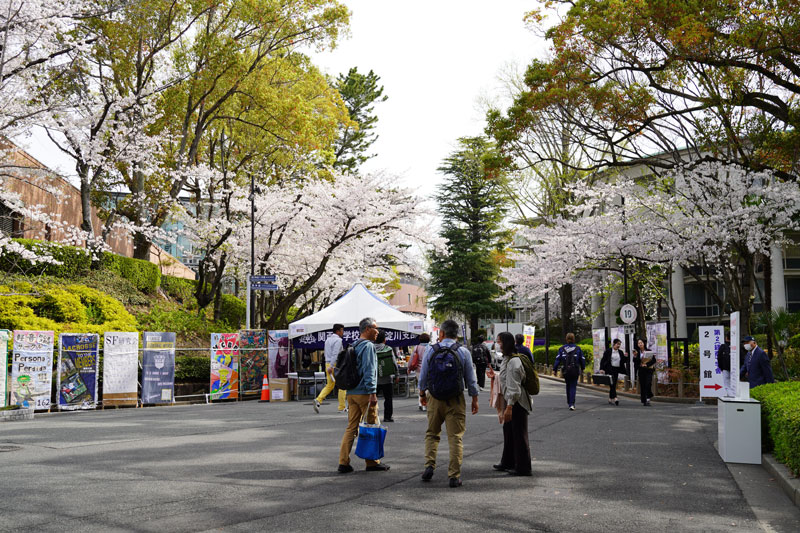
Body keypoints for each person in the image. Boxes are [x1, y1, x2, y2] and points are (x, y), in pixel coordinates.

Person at [418, 319, 480, 488]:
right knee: (455, 437)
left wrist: (422, 393)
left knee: (432, 433)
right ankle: (454, 475)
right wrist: (474, 398)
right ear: (457, 335)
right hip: (456, 399)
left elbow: (423, 375)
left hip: (435, 398)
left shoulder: (431, 349)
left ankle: (429, 466)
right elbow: (470, 379)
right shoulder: (463, 352)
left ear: (442, 333)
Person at [338, 317, 390, 473]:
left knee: (351, 428)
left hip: (351, 392)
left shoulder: (353, 344)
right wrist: (373, 393)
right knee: (372, 426)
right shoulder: (368, 346)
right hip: (365, 393)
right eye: (375, 328)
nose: (378, 332)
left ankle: (343, 462)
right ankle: (372, 462)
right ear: (367, 329)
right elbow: (369, 371)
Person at [494, 331, 532, 476]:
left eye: (500, 342)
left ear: (506, 342)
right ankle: (508, 462)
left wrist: (509, 407)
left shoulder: (514, 362)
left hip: (517, 403)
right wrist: (495, 377)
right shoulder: (507, 359)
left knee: (519, 434)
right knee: (509, 432)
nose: (498, 344)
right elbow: (505, 379)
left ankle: (523, 467)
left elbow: (514, 388)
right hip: (511, 401)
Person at [314, 324, 347, 414]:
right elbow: (335, 354)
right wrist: (332, 365)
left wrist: (329, 365)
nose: (343, 332)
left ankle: (318, 400)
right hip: (335, 364)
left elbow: (326, 353)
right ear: (338, 331)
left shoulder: (327, 340)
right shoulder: (338, 340)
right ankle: (341, 407)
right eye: (342, 330)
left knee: (330, 385)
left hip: (327, 363)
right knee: (342, 386)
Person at [552, 332, 585, 410]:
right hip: (575, 370)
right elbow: (582, 359)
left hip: (566, 370)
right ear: (574, 339)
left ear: (566, 339)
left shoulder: (562, 349)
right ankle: (572, 403)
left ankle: (569, 402)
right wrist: (583, 368)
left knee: (568, 385)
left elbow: (557, 359)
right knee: (573, 386)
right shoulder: (578, 349)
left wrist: (555, 369)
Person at [375, 330, 398, 422]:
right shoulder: (388, 349)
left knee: (373, 399)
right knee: (388, 398)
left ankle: (372, 416)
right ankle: (387, 417)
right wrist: (397, 374)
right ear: (384, 340)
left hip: (374, 379)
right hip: (387, 379)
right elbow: (394, 363)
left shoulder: (370, 348)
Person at [599, 338, 628, 406]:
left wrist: (626, 357)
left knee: (614, 384)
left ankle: (610, 398)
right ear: (614, 344)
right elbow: (603, 360)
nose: (618, 346)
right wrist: (601, 368)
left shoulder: (620, 352)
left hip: (617, 369)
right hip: (610, 369)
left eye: (619, 344)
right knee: (612, 384)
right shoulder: (608, 351)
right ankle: (615, 398)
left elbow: (623, 361)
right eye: (617, 344)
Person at [408, 333, 430, 411]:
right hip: (428, 369)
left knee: (420, 386)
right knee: (427, 387)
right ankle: (426, 404)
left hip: (418, 370)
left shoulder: (416, 347)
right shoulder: (430, 348)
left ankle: (421, 403)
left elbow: (411, 359)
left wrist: (409, 368)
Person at [633, 338, 655, 406]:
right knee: (642, 385)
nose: (640, 344)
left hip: (648, 370)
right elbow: (635, 363)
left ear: (644, 343)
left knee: (648, 383)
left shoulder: (649, 351)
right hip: (641, 370)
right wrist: (635, 357)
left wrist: (647, 364)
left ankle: (648, 397)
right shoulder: (637, 352)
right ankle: (644, 400)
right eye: (639, 343)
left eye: (641, 343)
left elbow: (654, 360)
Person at [717, 332, 734, 397]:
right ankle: (734, 396)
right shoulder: (737, 346)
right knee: (735, 383)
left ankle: (731, 396)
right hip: (736, 369)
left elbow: (719, 358)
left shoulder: (723, 346)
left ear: (726, 338)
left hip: (725, 368)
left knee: (726, 384)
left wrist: (721, 368)